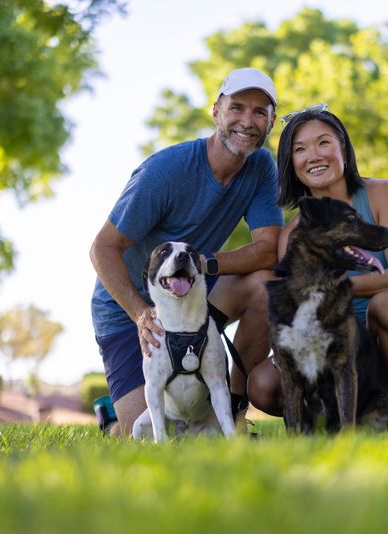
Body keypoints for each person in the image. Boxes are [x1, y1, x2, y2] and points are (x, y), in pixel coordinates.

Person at [89, 68, 283, 437]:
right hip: (126, 310)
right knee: (146, 432)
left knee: (265, 284)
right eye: (237, 107)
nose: (247, 121)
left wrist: (204, 265)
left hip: (192, 296)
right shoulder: (165, 171)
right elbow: (102, 248)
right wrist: (139, 312)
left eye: (260, 112)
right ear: (216, 111)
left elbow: (268, 251)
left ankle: (234, 411)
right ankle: (111, 415)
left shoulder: (260, 168)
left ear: (272, 121)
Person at [247, 105, 388, 436]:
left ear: (343, 149)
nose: (313, 155)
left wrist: (328, 289)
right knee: (263, 384)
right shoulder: (291, 234)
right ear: (290, 165)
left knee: (386, 303)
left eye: (323, 142)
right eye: (300, 149)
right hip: (335, 350)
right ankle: (332, 425)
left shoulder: (380, 194)